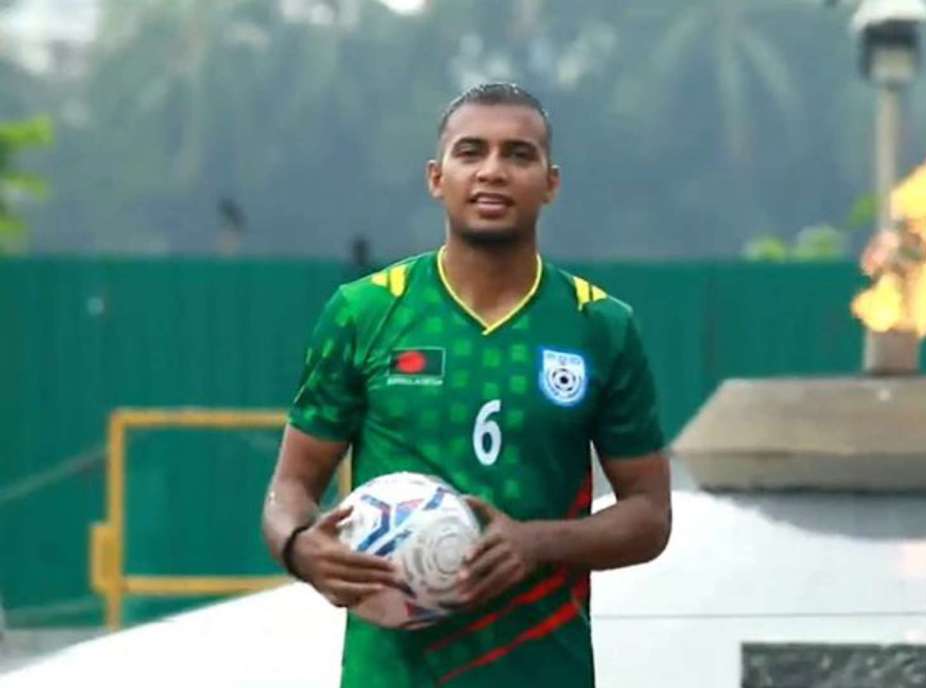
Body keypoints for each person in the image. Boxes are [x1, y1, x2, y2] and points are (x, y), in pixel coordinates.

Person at [262, 82, 671, 688]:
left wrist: (536, 542)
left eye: (518, 155)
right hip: (392, 675)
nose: (492, 171)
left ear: (551, 183)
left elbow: (650, 515)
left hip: (542, 671)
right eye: (471, 152)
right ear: (437, 177)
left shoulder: (600, 326)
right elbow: (291, 487)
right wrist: (299, 546)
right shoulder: (364, 312)